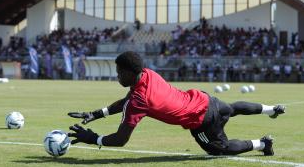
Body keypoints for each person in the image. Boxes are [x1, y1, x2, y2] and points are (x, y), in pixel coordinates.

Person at [68, 51, 285, 156]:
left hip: (201, 121)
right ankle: (271, 109)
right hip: (205, 99)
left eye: (118, 73)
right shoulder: (147, 74)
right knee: (233, 108)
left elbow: (120, 139)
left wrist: (92, 138)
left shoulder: (138, 100)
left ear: (128, 72)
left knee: (220, 149)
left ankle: (263, 143)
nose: (116, 77)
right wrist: (97, 114)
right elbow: (126, 102)